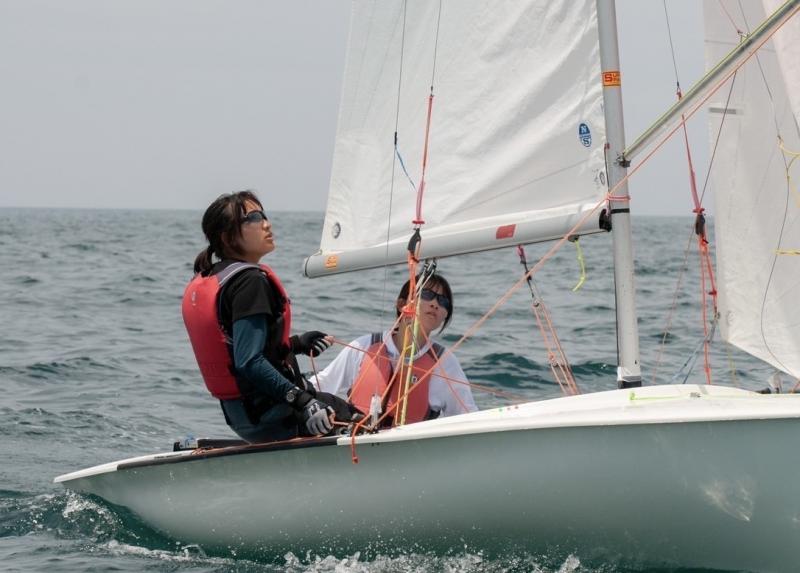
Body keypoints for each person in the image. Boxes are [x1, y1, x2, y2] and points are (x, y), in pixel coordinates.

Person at [182, 191, 357, 443]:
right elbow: (249, 362)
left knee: (333, 403)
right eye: (253, 218)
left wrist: (297, 344)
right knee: (364, 420)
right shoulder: (249, 282)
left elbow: (239, 350)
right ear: (227, 237)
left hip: (244, 418)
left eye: (263, 215)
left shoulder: (216, 277)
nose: (266, 223)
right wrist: (303, 401)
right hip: (275, 415)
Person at [314, 273, 478, 425]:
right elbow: (321, 385)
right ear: (401, 304)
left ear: (445, 315)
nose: (435, 304)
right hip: (355, 439)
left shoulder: (445, 364)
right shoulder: (364, 347)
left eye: (443, 301)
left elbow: (468, 418)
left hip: (411, 445)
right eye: (427, 294)